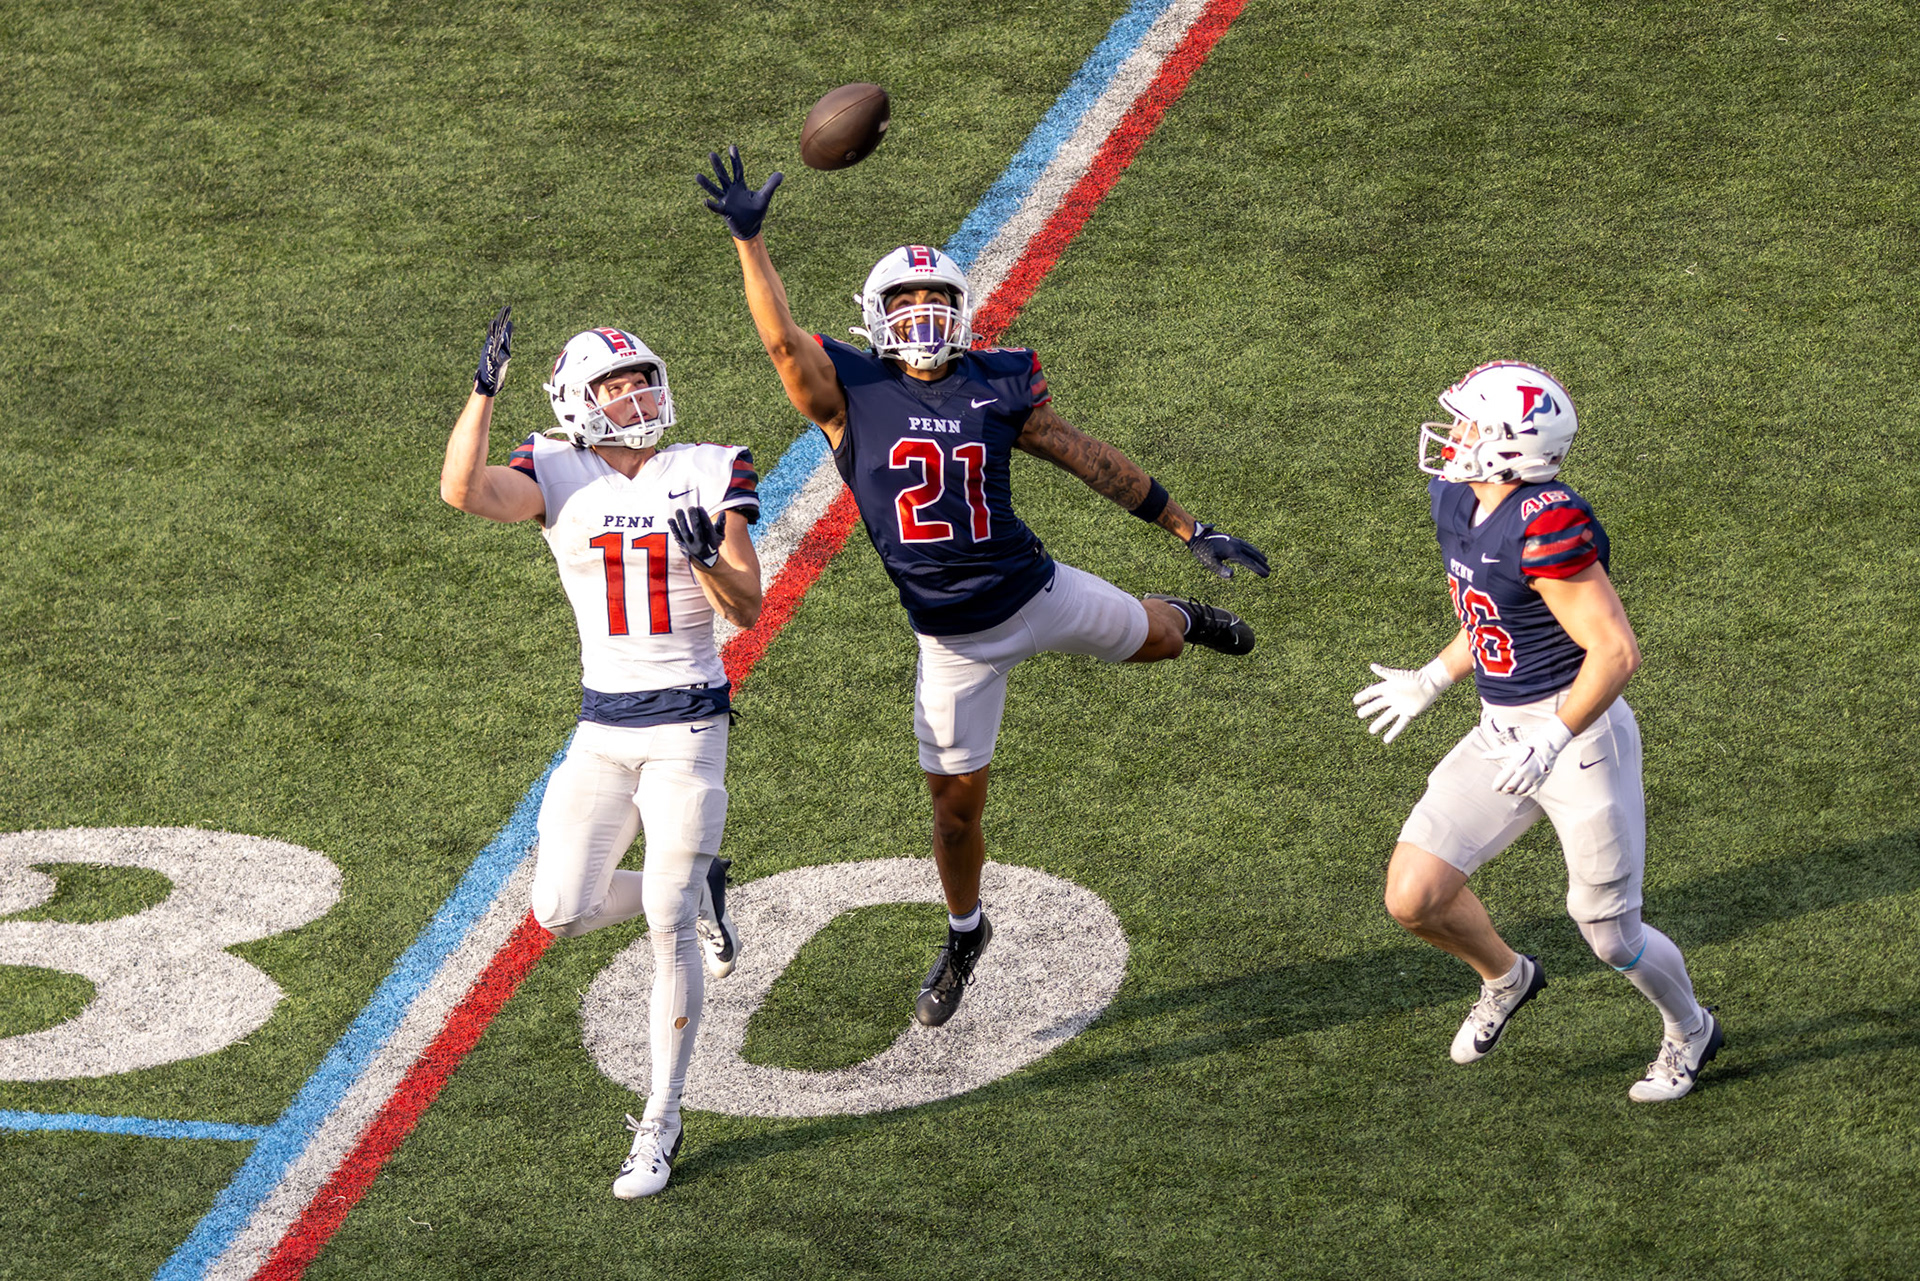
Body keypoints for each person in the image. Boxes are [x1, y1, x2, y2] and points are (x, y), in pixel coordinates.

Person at [698, 146, 1269, 1028]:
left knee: (1156, 642)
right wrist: (751, 239)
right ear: (873, 317)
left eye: (936, 299)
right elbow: (779, 338)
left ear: (963, 311)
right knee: (956, 816)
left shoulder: (996, 384)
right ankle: (966, 931)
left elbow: (1088, 459)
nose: (922, 314)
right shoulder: (848, 391)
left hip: (1035, 590)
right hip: (953, 641)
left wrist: (1189, 528)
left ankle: (1185, 615)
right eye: (904, 301)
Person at [439, 307, 763, 1196]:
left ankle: (660, 1120)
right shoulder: (553, 463)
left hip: (690, 722)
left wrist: (706, 560)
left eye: (641, 381)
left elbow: (747, 608)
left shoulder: (709, 467)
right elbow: (462, 493)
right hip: (602, 726)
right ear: (577, 405)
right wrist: (481, 393)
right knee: (559, 909)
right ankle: (703, 888)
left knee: (663, 924)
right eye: (614, 388)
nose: (634, 398)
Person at [1354, 360, 1722, 1101]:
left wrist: (1553, 736)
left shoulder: (1548, 521)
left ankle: (1690, 1028)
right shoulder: (1459, 499)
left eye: (1470, 424)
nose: (1452, 435)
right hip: (1502, 730)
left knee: (1608, 931)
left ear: (1510, 444)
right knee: (1414, 895)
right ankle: (1506, 976)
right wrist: (1434, 676)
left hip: (1579, 738)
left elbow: (1615, 652)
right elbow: (1496, 618)